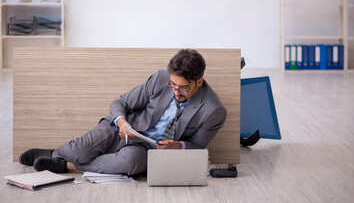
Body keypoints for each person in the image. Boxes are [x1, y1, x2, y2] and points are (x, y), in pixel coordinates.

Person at [19, 49, 227, 175]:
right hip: (124, 129)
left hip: (149, 151)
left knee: (129, 164)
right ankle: (57, 153)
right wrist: (122, 123)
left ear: (199, 82)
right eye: (173, 85)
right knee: (80, 149)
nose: (175, 91)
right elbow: (121, 103)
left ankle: (67, 165)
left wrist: (179, 146)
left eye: (183, 87)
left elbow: (198, 146)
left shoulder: (214, 110)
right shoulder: (160, 78)